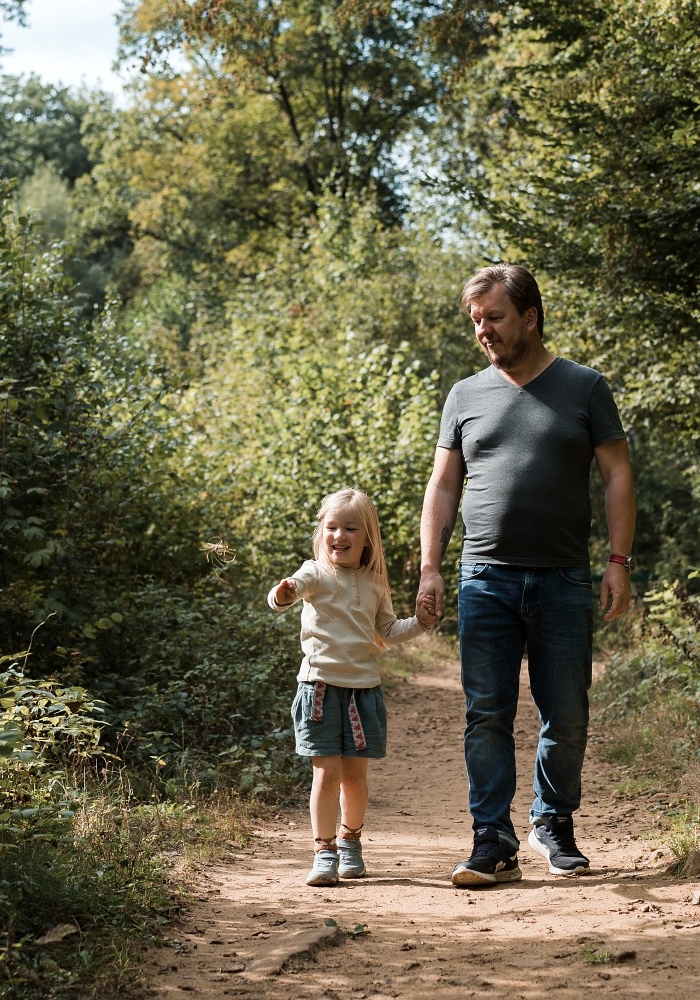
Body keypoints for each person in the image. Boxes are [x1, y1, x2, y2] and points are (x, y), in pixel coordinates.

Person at [418, 263, 635, 887]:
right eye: (476, 321)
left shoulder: (585, 387)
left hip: (564, 577)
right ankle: (491, 839)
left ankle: (553, 824)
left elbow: (618, 475)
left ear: (530, 318)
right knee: (486, 712)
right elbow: (443, 485)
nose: (483, 330)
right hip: (485, 576)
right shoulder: (464, 395)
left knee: (565, 713)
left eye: (495, 317)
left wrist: (618, 561)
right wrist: (431, 566)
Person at [269, 487, 439, 887]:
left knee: (354, 777)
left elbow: (386, 631)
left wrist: (421, 622)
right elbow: (286, 593)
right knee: (325, 773)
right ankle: (323, 851)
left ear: (367, 537)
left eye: (350, 528)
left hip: (362, 691)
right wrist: (282, 594)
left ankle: (350, 841)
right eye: (331, 527)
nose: (339, 536)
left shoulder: (375, 583)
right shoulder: (314, 572)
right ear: (322, 532)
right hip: (320, 688)